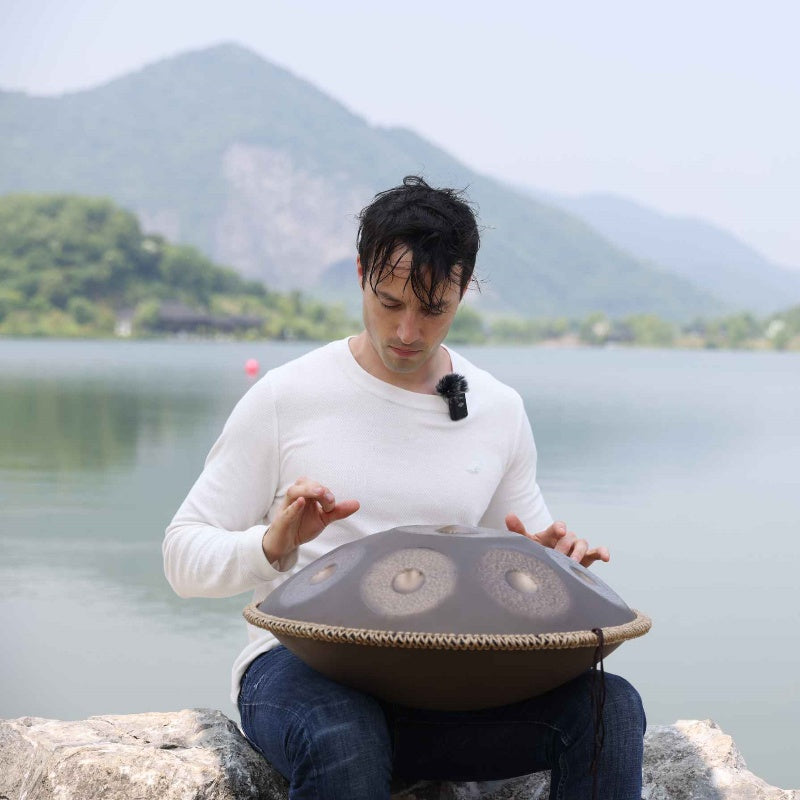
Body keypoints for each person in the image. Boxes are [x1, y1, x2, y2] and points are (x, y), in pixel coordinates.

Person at [163, 176, 646, 799]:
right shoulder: (288, 397)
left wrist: (556, 567)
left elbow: (521, 554)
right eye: (389, 302)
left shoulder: (497, 409)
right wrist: (269, 545)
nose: (407, 332)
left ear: (464, 288)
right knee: (347, 736)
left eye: (433, 308)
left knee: (610, 707)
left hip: (444, 688)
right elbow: (181, 556)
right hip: (301, 672)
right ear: (361, 271)